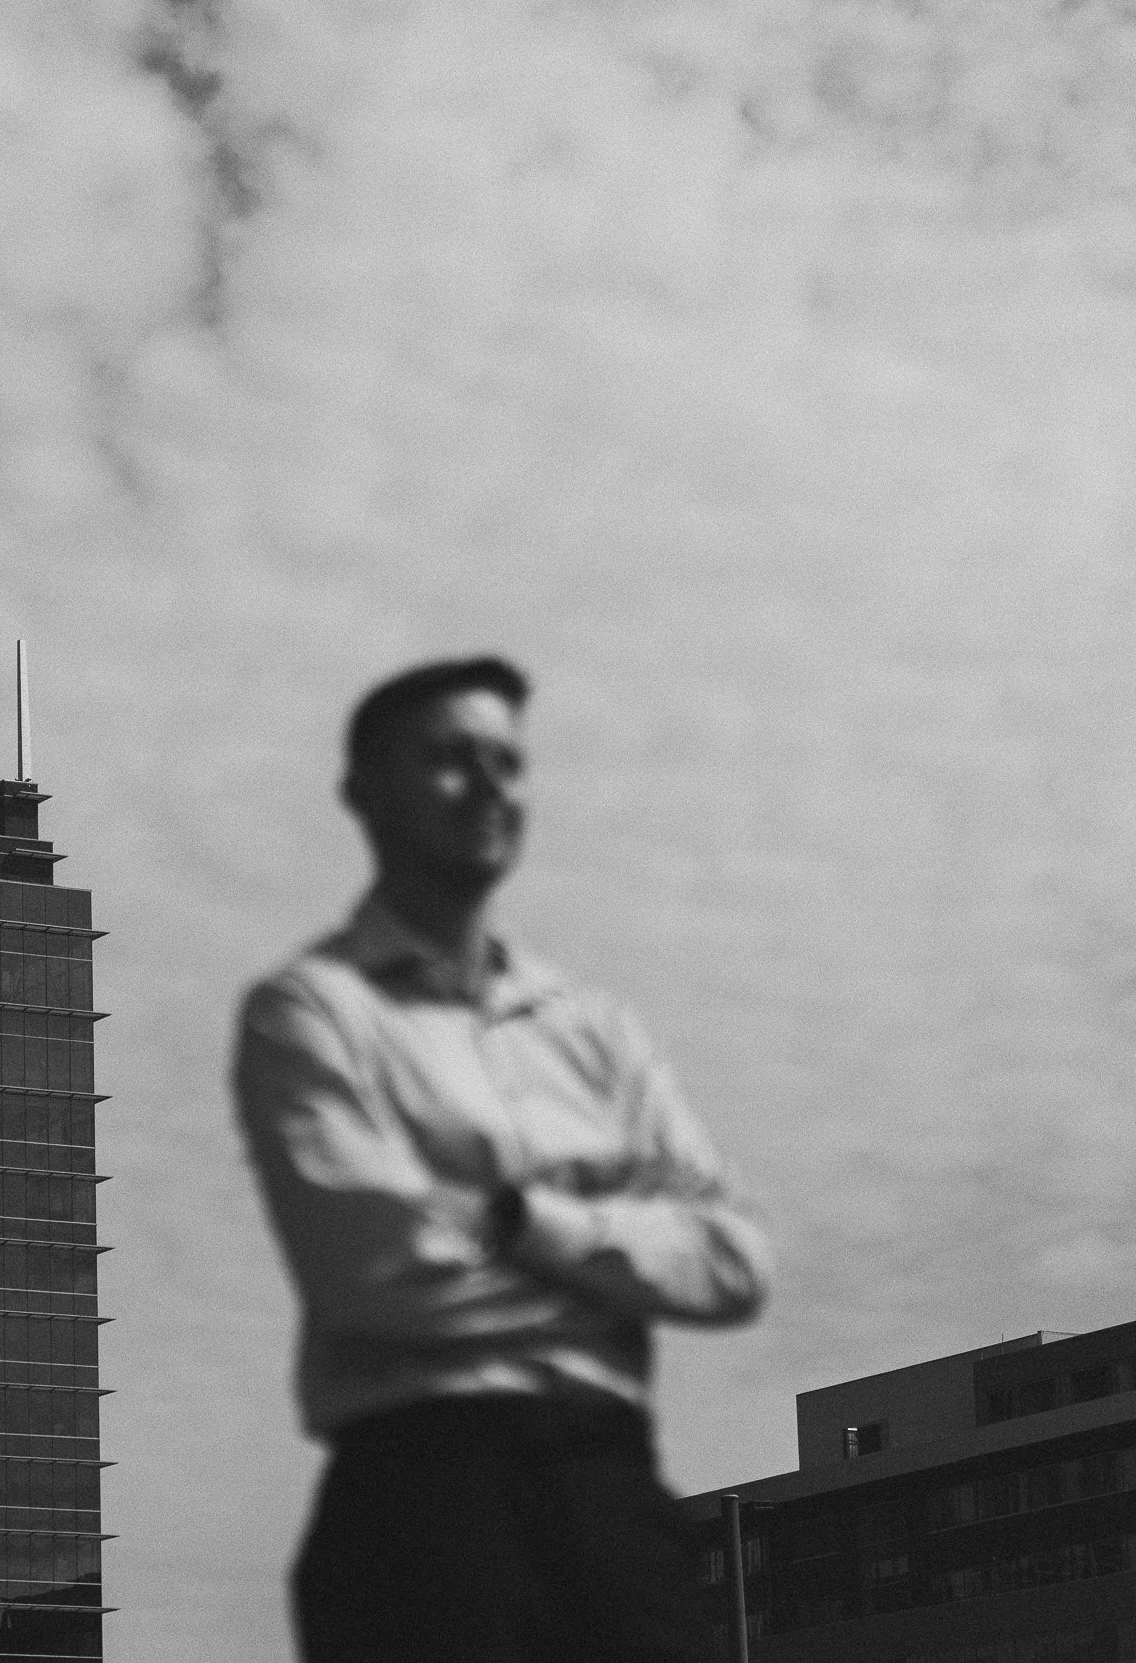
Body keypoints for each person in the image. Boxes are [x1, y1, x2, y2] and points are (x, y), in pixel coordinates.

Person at [231, 656, 772, 1663]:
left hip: (612, 1498)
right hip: (422, 1503)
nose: (488, 786)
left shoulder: (594, 1029)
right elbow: (374, 1272)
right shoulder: (311, 1012)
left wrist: (526, 1223)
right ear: (363, 791)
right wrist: (620, 1257)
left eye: (506, 762)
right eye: (448, 758)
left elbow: (733, 1258)